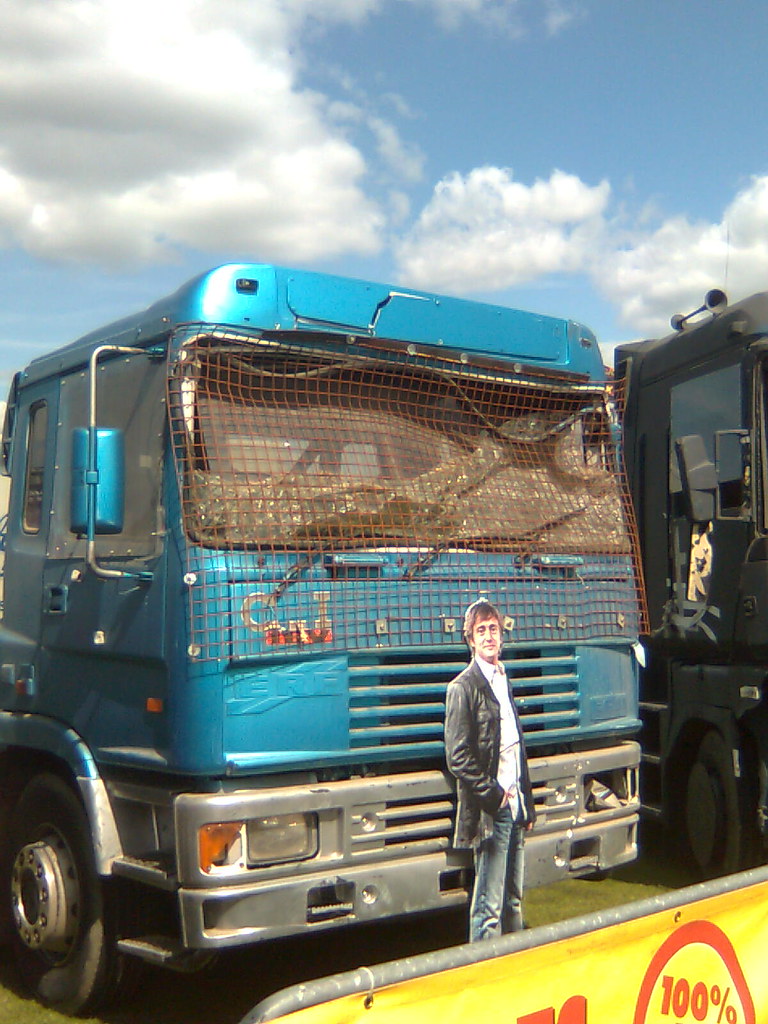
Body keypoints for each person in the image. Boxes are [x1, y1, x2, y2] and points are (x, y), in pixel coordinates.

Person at [444, 598, 536, 941]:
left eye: (493, 629)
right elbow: (458, 756)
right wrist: (495, 796)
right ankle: (483, 964)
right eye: (481, 631)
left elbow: (515, 746)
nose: (488, 636)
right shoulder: (462, 688)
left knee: (514, 901)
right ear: (470, 640)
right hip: (492, 810)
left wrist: (526, 804)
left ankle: (516, 962)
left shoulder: (502, 679)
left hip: (516, 807)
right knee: (489, 906)